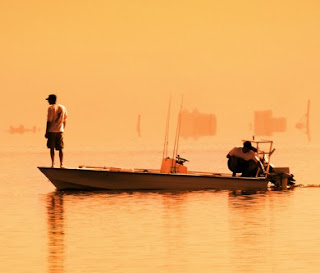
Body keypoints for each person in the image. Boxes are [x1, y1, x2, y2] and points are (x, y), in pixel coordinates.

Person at [45, 94, 68, 168]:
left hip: (52, 131)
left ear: (52, 100)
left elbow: (49, 121)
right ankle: (61, 164)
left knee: (52, 148)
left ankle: (53, 164)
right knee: (60, 148)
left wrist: (47, 132)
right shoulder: (63, 107)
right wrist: (63, 129)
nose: (48, 102)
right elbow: (65, 120)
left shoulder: (51, 108)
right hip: (60, 130)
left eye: (49, 100)